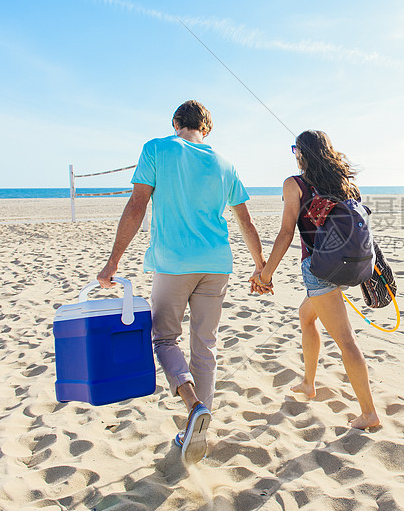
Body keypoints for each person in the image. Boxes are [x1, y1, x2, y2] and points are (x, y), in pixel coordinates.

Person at [97, 100, 271, 465]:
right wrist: (261, 268)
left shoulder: (157, 148)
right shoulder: (225, 163)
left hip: (175, 264)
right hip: (217, 264)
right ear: (206, 129)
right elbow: (246, 222)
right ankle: (200, 427)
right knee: (205, 346)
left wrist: (113, 262)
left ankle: (193, 408)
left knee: (163, 338)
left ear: (177, 122)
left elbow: (137, 205)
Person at [251, 130, 380, 429]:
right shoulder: (347, 184)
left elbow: (286, 233)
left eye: (295, 149)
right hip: (349, 266)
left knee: (346, 340)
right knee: (306, 317)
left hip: (320, 270)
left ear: (301, 153)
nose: (294, 154)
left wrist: (266, 274)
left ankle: (369, 413)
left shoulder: (295, 184)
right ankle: (309, 383)